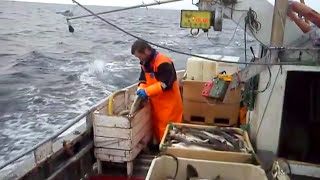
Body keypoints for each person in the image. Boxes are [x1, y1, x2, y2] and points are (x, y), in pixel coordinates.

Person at [131, 40, 183, 143]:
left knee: (170, 132)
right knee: (158, 129)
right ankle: (161, 149)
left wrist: (147, 92)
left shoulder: (164, 62)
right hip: (156, 104)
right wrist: (141, 88)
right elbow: (143, 79)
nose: (139, 59)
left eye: (140, 56)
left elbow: (165, 84)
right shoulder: (145, 63)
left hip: (169, 105)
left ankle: (170, 153)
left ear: (146, 51)